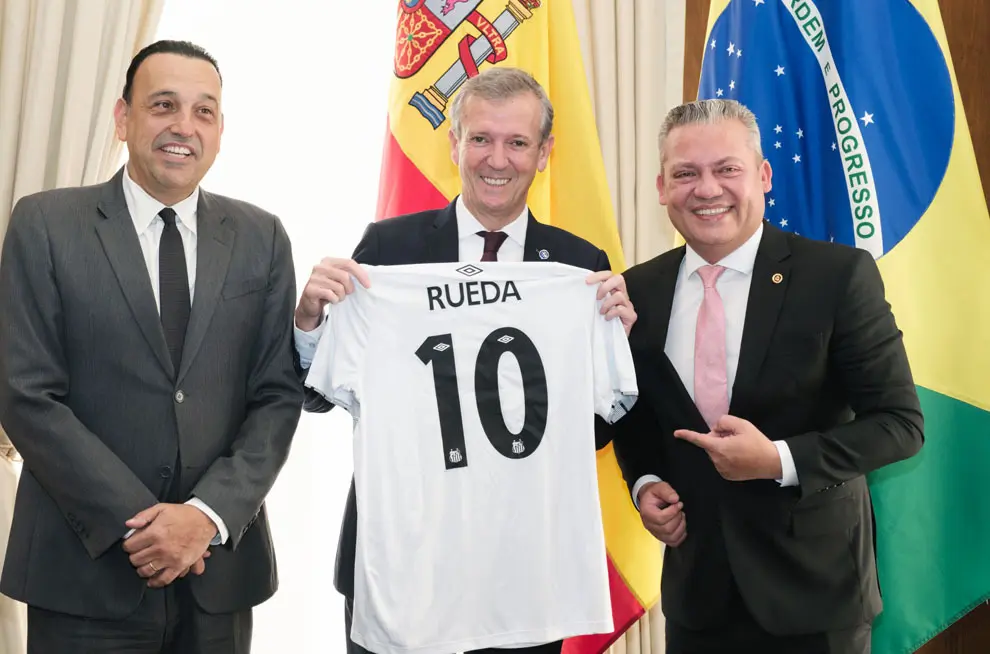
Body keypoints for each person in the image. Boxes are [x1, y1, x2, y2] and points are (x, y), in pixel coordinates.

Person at [294, 67, 636, 654]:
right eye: (480, 138)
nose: (496, 159)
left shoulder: (580, 269)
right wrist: (309, 325)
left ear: (545, 153)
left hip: (521, 576)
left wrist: (612, 352)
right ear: (454, 145)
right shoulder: (387, 251)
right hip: (402, 566)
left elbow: (598, 429)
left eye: (517, 142)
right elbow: (321, 394)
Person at [0, 40, 302, 653]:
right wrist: (146, 526)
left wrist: (204, 518)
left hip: (217, 571)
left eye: (204, 111)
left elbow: (276, 394)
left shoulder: (261, 237)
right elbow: (25, 393)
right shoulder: (45, 225)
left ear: (220, 130)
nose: (183, 127)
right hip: (83, 571)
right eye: (164, 104)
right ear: (123, 118)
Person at [609, 98, 924, 654]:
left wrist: (779, 460)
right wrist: (645, 485)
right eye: (686, 173)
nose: (707, 189)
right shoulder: (638, 292)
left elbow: (899, 424)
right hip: (697, 597)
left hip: (814, 599)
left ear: (762, 175)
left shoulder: (838, 277)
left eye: (726, 168)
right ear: (662, 187)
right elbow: (638, 419)